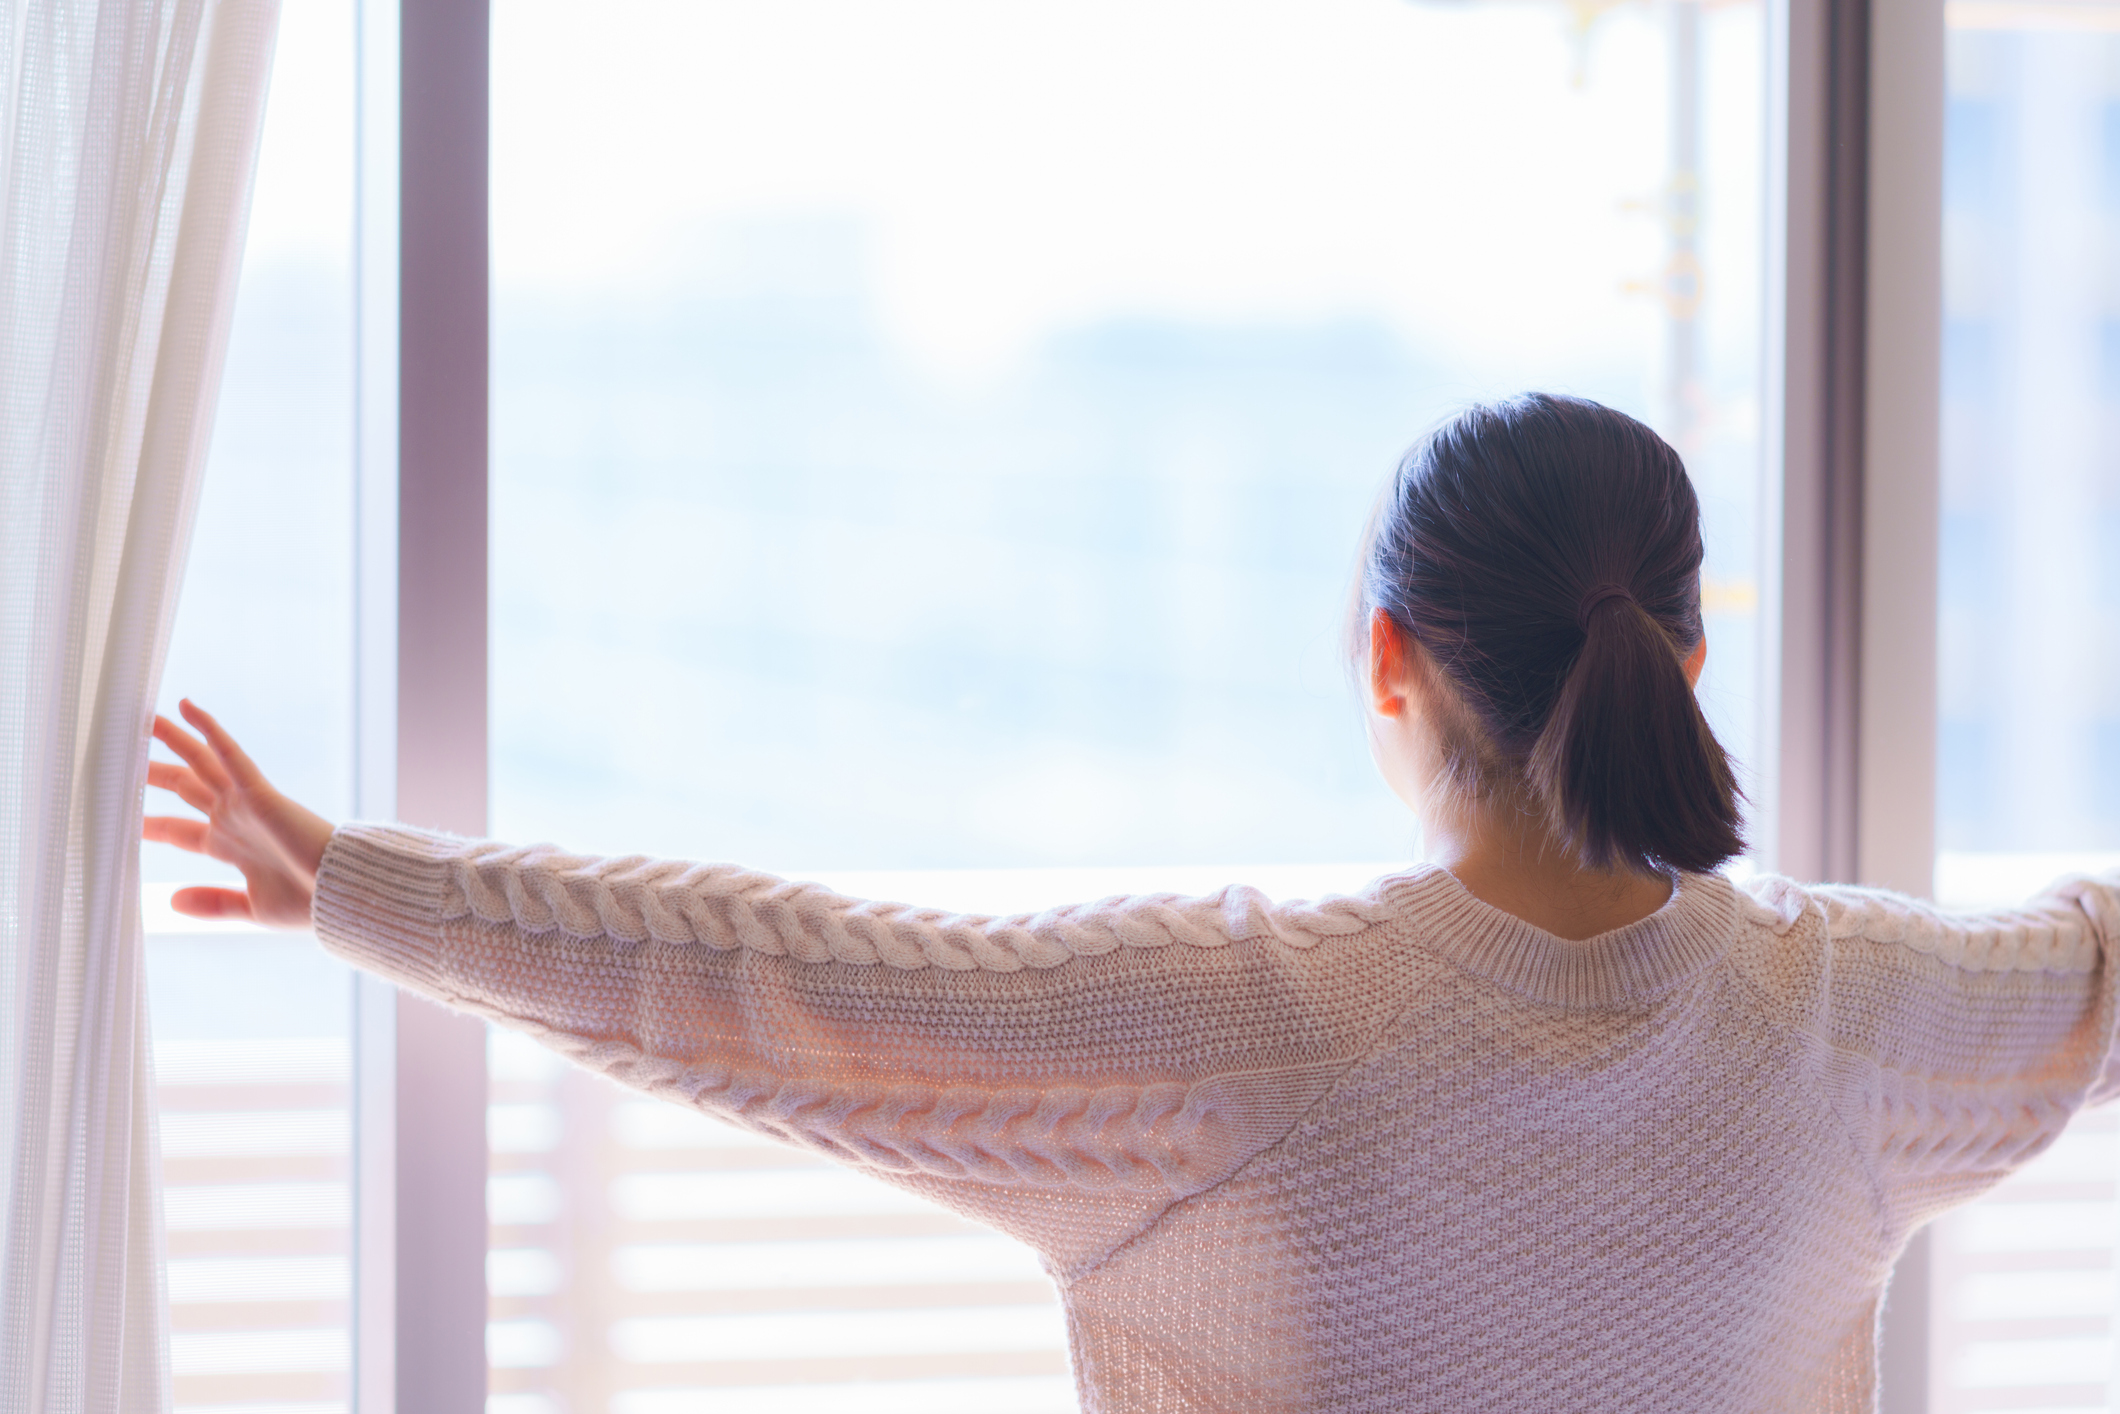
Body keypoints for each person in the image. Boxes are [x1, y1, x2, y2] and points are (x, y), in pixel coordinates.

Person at [146, 393, 2120, 1413]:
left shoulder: (1231, 1021)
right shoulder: (1859, 1016)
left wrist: (354, 881)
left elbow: (763, 981)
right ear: (1689, 654)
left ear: (1386, 658)